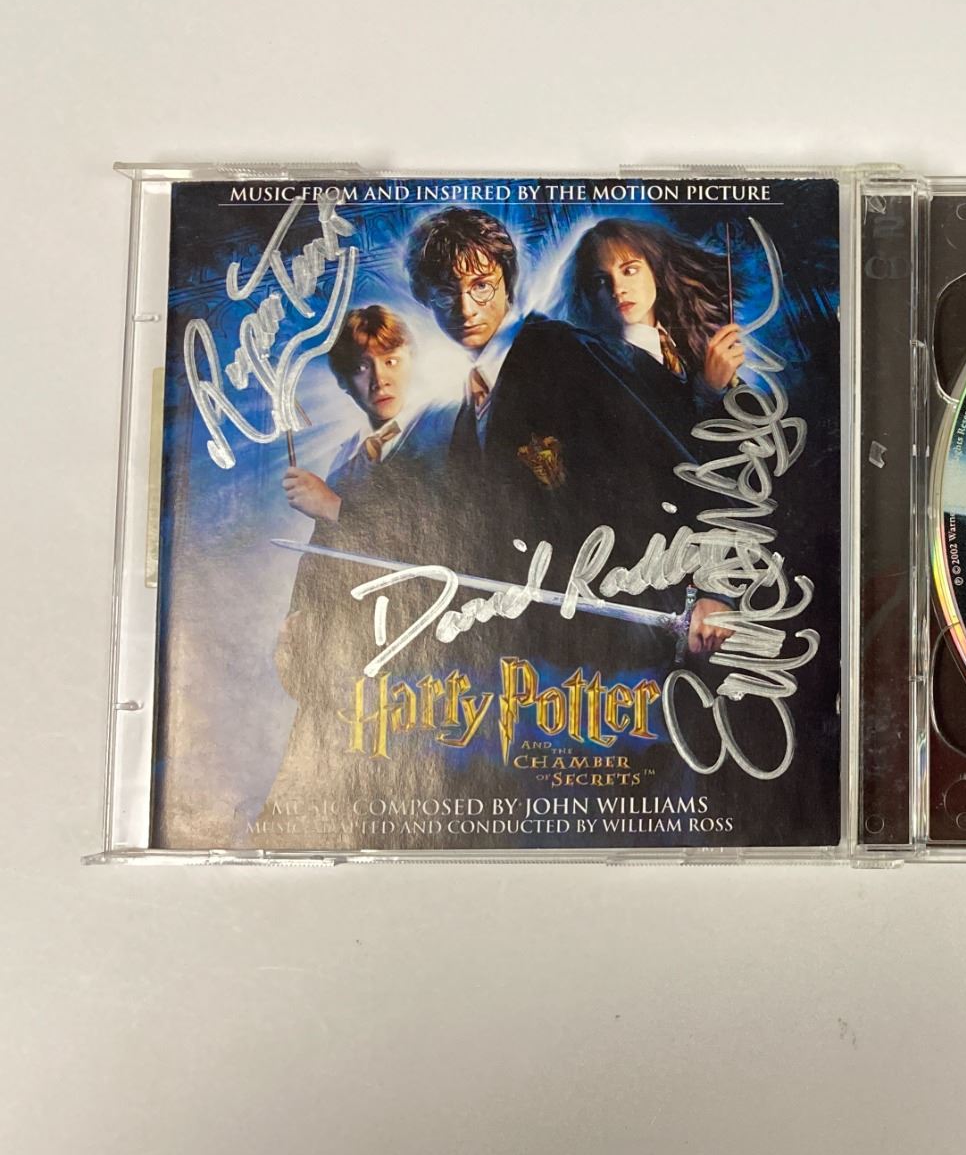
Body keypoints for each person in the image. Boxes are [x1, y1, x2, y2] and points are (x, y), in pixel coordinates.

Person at [403, 208, 732, 668]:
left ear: (506, 280)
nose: (465, 308)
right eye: (444, 293)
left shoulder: (569, 351)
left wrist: (712, 588)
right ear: (426, 299)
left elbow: (683, 461)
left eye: (481, 285)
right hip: (557, 647)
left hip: (647, 631)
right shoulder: (465, 406)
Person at [261, 305, 458, 843]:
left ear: (413, 359)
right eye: (362, 367)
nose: (380, 378)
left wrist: (333, 507)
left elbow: (439, 546)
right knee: (305, 818)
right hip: (340, 666)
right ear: (345, 382)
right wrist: (298, 620)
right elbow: (323, 557)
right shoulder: (349, 455)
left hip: (410, 665)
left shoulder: (444, 432)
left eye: (391, 360)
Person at [567, 217, 747, 427]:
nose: (617, 289)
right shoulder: (603, 364)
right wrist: (708, 390)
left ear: (656, 271)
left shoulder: (687, 340)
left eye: (629, 270)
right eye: (601, 280)